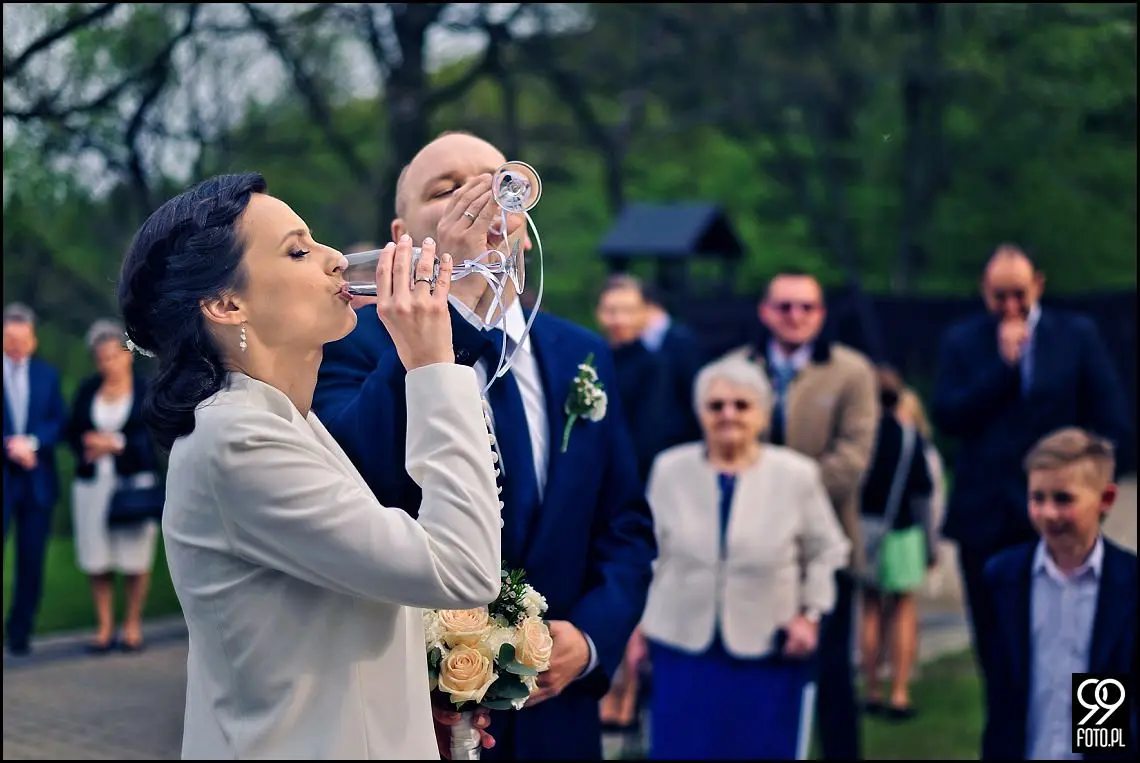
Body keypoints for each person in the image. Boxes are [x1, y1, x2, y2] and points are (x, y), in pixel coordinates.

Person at [116, 172, 503, 759]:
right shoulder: (236, 440)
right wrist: (431, 363)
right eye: (298, 251)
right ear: (225, 304)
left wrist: (407, 701)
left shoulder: (285, 421)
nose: (337, 260)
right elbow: (463, 570)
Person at [313, 131, 656, 760]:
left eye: (500, 185)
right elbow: (357, 472)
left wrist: (589, 639)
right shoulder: (347, 342)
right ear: (401, 235)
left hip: (560, 723)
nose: (479, 201)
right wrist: (453, 310)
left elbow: (624, 525)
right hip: (413, 716)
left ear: (523, 224)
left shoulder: (581, 353)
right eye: (447, 190)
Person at [932, 243, 1131, 695]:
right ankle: (1012, 731)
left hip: (1065, 516)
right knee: (1001, 651)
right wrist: (1006, 369)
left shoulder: (1075, 335)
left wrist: (1088, 489)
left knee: (1086, 638)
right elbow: (947, 416)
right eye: (998, 296)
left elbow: (1112, 419)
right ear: (983, 291)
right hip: (987, 517)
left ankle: (1098, 731)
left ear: (1038, 285)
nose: (1010, 306)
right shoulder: (964, 340)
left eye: (1019, 294)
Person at [632, 355, 851, 759]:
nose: (728, 414)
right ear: (700, 412)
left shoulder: (796, 475)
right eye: (716, 405)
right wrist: (635, 625)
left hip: (766, 647)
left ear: (763, 414)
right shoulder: (669, 469)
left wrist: (811, 614)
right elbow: (648, 554)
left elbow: (828, 549)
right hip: (681, 645)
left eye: (742, 405)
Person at [726, 269, 878, 760]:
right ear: (766, 312)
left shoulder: (851, 372)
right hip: (751, 549)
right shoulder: (735, 369)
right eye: (785, 306)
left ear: (821, 314)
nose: (795, 316)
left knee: (831, 678)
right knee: (754, 667)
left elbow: (853, 457)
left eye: (806, 306)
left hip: (826, 546)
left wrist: (784, 500)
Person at [982, 428, 1137, 760]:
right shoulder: (1006, 578)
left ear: (1105, 499)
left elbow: (1109, 690)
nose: (1049, 513)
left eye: (1063, 499)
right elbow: (1002, 692)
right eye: (1037, 498)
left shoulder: (1123, 582)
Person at [65, 319, 162, 654]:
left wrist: (118, 444)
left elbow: (153, 435)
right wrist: (87, 442)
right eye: (103, 357)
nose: (110, 363)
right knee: (98, 557)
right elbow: (72, 429)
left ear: (128, 355)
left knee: (135, 557)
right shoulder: (88, 390)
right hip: (93, 483)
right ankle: (104, 626)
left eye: (115, 355)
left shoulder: (146, 390)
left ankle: (132, 624)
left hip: (133, 483)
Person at [857, 366, 935, 721]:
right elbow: (922, 491)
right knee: (903, 609)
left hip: (864, 529)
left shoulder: (859, 436)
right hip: (902, 529)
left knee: (870, 609)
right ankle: (899, 692)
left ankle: (871, 688)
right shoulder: (907, 436)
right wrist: (930, 543)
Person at [2, 302, 67, 656]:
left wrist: (33, 442)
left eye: (22, 339)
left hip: (36, 481)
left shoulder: (47, 375)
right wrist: (9, 445)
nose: (16, 346)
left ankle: (20, 631)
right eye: (10, 339)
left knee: (31, 559)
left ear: (33, 340)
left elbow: (59, 421)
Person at [594, 273, 671, 482]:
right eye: (611, 311)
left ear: (645, 313)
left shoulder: (654, 365)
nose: (619, 319)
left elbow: (650, 430)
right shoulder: (589, 359)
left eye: (629, 311)